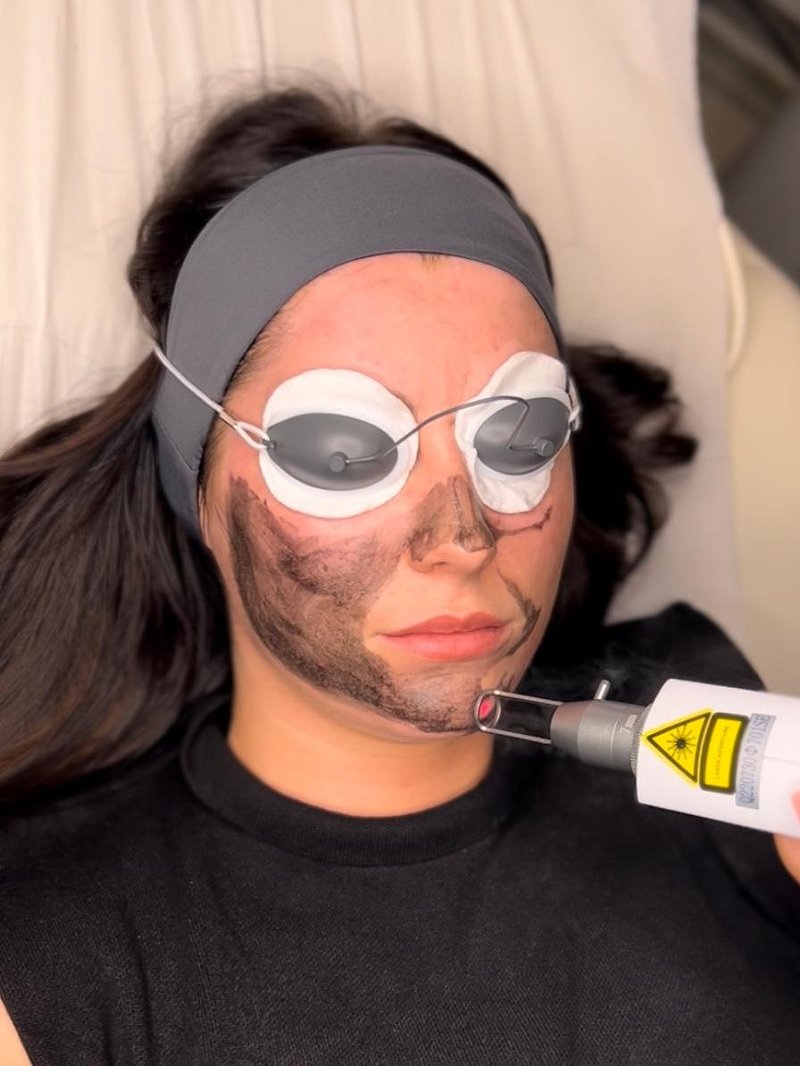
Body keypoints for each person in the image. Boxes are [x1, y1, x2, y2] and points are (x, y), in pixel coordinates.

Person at [0, 86, 797, 1065]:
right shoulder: (48, 959)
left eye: (518, 435)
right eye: (342, 450)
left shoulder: (706, 733)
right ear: (201, 488)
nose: (460, 534)